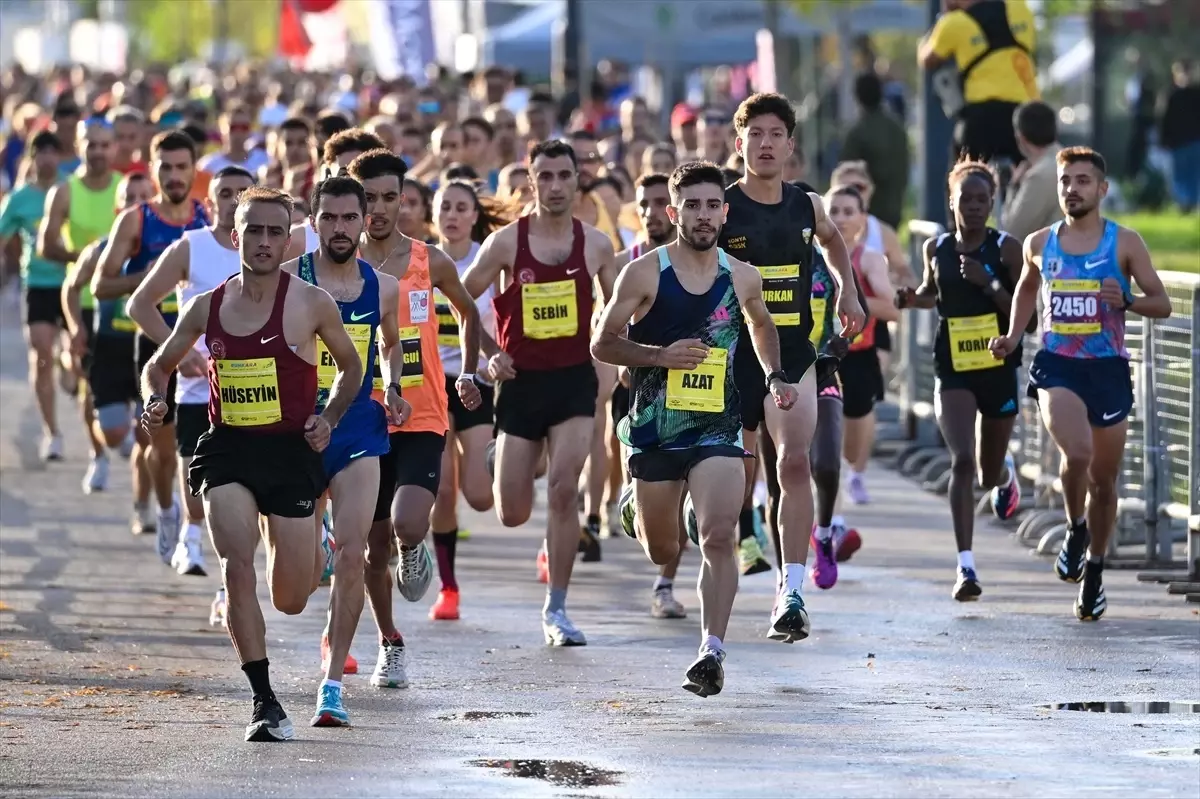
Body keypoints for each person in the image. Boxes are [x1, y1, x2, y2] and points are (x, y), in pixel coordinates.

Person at [140, 186, 363, 742]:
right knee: (235, 565)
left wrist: (329, 418)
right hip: (228, 449)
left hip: (290, 452)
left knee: (291, 597)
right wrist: (155, 398)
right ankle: (263, 701)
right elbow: (158, 365)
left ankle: (318, 545)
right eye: (253, 231)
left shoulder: (311, 303)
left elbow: (352, 368)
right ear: (236, 237)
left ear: (287, 238)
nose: (264, 242)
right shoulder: (205, 307)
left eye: (274, 232)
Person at [594, 161, 796, 696]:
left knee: (720, 535)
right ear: (672, 211)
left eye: (712, 206)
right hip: (656, 430)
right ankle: (642, 508)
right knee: (663, 551)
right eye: (692, 205)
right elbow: (603, 342)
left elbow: (761, 323)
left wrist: (774, 375)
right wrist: (660, 355)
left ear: (725, 212)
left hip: (718, 426)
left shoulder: (741, 275)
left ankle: (711, 650)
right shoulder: (643, 273)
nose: (703, 216)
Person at [989, 147, 1172, 621]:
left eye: (1083, 181)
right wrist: (1013, 335)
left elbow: (1163, 303)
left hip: (1108, 368)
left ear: (1102, 189)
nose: (1073, 189)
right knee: (1079, 455)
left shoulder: (1124, 243)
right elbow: (1027, 286)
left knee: (1105, 481)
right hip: (1058, 365)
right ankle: (1075, 527)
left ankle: (1094, 570)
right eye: (1066, 180)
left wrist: (1127, 300)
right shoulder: (1038, 243)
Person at [461, 139, 618, 646]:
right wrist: (487, 353)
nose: (554, 186)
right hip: (521, 383)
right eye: (544, 176)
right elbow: (463, 297)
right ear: (531, 181)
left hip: (574, 379)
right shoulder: (507, 243)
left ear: (577, 181)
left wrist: (617, 350)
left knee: (564, 491)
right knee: (512, 511)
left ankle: (557, 608)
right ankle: (503, 454)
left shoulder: (594, 244)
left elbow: (620, 305)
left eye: (563, 176)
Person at [719, 93, 865, 638]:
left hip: (796, 353)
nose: (765, 143)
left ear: (790, 145)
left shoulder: (808, 205)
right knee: (737, 475)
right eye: (754, 134)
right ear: (740, 144)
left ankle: (792, 589)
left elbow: (833, 243)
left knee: (794, 464)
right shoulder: (723, 206)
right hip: (733, 356)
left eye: (775, 134)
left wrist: (849, 293)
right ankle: (722, 530)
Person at [345, 155, 479, 693]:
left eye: (386, 197)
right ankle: (389, 642)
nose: (377, 209)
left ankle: (415, 546)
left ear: (404, 199)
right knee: (371, 548)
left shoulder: (429, 260)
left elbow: (469, 311)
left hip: (422, 412)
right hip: (360, 415)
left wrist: (467, 369)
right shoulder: (338, 264)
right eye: (367, 199)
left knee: (405, 523)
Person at [285, 174, 410, 724]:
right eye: (329, 218)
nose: (340, 228)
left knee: (355, 554)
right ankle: (313, 546)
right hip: (295, 430)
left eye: (349, 218)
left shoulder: (383, 288)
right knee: (299, 583)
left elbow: (390, 344)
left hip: (358, 428)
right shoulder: (290, 280)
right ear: (314, 223)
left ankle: (331, 686)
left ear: (366, 222)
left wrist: (396, 388)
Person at [897, 161, 1027, 600]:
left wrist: (989, 283)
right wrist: (911, 299)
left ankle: (1005, 477)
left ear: (992, 203)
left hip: (997, 366)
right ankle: (966, 567)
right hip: (952, 365)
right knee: (962, 461)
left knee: (988, 474)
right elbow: (934, 291)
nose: (973, 207)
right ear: (950, 202)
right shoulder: (936, 248)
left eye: (981, 200)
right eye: (964, 200)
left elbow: (1021, 319)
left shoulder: (1008, 250)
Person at [127, 166, 257, 582]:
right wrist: (178, 352)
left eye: (242, 193)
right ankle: (189, 535)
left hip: (255, 387)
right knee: (193, 470)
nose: (233, 201)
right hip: (199, 386)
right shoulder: (191, 246)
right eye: (225, 193)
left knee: (243, 489)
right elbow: (141, 303)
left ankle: (228, 576)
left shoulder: (272, 249)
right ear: (209, 202)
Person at [94, 130, 209, 540]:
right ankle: (163, 510)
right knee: (158, 449)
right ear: (152, 168)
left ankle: (190, 525)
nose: (174, 176)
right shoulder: (136, 219)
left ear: (194, 170)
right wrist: (153, 277)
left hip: (199, 341)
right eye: (166, 167)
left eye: (182, 167)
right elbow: (100, 286)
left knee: (188, 443)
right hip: (153, 339)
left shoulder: (207, 219)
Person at [611, 172, 689, 618]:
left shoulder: (701, 261)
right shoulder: (628, 262)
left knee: (681, 495)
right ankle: (629, 498)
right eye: (643, 204)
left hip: (691, 390)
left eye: (660, 203)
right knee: (648, 509)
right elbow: (603, 328)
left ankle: (665, 586)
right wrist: (632, 359)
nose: (651, 212)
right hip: (636, 389)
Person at [428, 178, 505, 617]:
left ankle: (514, 455)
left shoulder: (486, 261)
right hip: (432, 384)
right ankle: (448, 587)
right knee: (442, 489)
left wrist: (494, 356)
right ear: (434, 216)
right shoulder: (419, 260)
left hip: (476, 381)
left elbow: (484, 317)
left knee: (479, 496)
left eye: (461, 208)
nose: (453, 216)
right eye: (445, 208)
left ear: (475, 216)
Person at [39, 118, 122, 487]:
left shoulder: (126, 190)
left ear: (115, 148)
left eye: (105, 145)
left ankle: (122, 434)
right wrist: (84, 259)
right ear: (79, 145)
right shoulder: (65, 191)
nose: (99, 151)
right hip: (82, 298)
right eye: (92, 144)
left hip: (123, 300)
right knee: (91, 382)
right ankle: (98, 454)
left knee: (127, 380)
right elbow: (46, 244)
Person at [62, 174, 154, 501]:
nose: (136, 204)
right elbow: (71, 288)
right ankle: (109, 445)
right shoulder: (100, 249)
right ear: (118, 208)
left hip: (151, 347)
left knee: (152, 441)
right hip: (110, 345)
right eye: (129, 197)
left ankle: (148, 507)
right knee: (115, 433)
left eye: (143, 197)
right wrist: (75, 326)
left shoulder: (169, 249)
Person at [828, 186, 899, 515]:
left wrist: (851, 299)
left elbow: (892, 309)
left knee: (856, 423)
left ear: (862, 219)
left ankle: (855, 472)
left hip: (858, 352)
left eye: (847, 211)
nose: (840, 219)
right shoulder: (811, 257)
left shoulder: (869, 259)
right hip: (819, 354)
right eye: (834, 211)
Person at [0, 131, 66, 460]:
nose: (47, 158)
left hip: (73, 285)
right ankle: (52, 432)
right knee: (41, 355)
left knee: (74, 365)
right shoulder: (19, 197)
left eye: (53, 152)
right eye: (41, 152)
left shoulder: (71, 188)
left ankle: (70, 367)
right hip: (38, 282)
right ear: (32, 157)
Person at [919, 0, 1038, 165]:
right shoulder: (1019, 7)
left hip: (980, 117)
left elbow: (927, 60)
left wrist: (942, 20)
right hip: (1022, 114)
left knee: (963, 177)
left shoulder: (953, 22)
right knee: (1029, 172)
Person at [838, 72, 910, 230]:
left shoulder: (858, 132)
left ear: (857, 97)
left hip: (866, 214)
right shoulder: (897, 128)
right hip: (894, 209)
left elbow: (846, 176)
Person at [1002, 101, 1063, 244]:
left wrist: (1013, 187)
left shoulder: (1038, 176)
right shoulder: (1073, 162)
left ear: (1020, 137)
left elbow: (1011, 233)